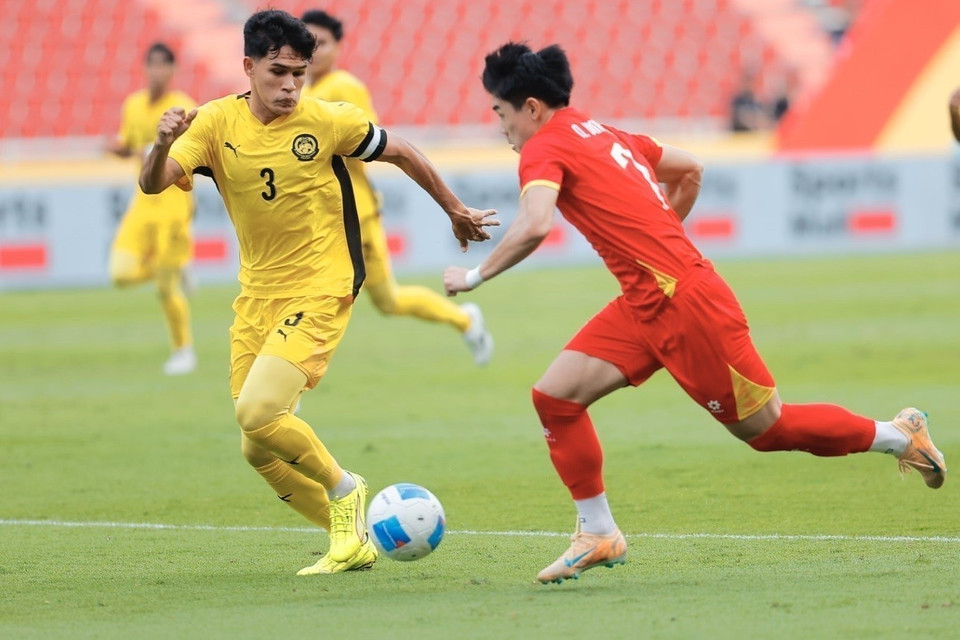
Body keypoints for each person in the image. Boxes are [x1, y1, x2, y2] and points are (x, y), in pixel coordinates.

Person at [444, 42, 946, 585]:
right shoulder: (609, 134)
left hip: (686, 306)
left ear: (532, 108)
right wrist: (661, 238)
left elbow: (536, 223)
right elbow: (691, 170)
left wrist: (472, 276)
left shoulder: (542, 149)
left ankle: (898, 434)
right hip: (646, 300)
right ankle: (598, 534)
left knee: (767, 430)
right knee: (556, 398)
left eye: (500, 111)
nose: (500, 126)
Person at [140, 10, 497, 576]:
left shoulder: (329, 120)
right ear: (248, 66)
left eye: (299, 74)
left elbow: (400, 148)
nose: (289, 85)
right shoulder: (212, 124)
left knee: (257, 412)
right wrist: (161, 145)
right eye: (278, 72)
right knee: (257, 445)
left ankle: (344, 490)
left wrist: (454, 210)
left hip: (322, 284)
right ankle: (351, 540)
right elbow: (153, 182)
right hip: (256, 295)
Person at [299, 9, 493, 365]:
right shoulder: (305, 90)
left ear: (338, 46)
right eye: (307, 44)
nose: (313, 52)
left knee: (322, 295)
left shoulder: (342, 87)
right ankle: (465, 319)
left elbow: (368, 146)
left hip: (352, 212)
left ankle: (287, 383)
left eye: (321, 43)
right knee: (388, 300)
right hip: (327, 210)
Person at [106, 43, 198, 375]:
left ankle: (183, 351)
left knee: (165, 289)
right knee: (120, 273)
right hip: (142, 204)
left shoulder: (184, 107)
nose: (157, 72)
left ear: (172, 71)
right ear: (144, 69)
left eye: (164, 66)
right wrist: (117, 149)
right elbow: (129, 145)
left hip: (173, 207)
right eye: (152, 65)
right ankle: (175, 266)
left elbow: (192, 158)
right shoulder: (133, 106)